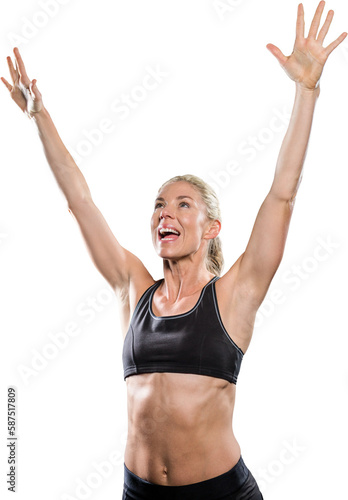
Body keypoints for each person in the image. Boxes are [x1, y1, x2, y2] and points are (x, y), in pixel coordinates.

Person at [2, 2, 346, 499]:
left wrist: (306, 91)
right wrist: (40, 117)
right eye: (159, 205)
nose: (166, 213)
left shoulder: (235, 294)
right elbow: (80, 201)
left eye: (184, 205)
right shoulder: (133, 287)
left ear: (211, 228)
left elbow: (282, 194)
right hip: (138, 493)